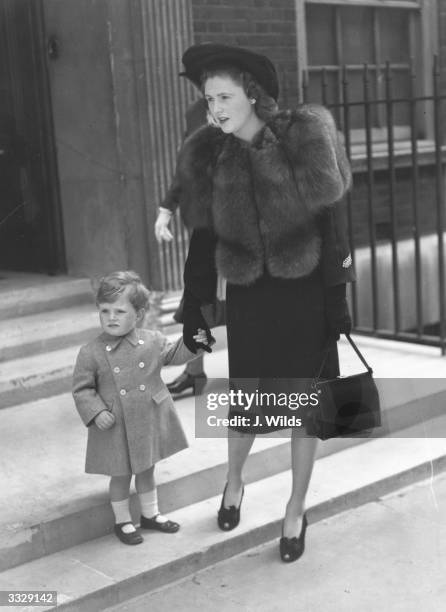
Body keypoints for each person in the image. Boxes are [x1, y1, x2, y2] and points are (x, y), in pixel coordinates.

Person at [172, 43, 355, 563]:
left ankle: (295, 509)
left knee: (304, 410)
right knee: (247, 408)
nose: (216, 110)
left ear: (252, 94)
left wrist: (337, 298)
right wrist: (195, 311)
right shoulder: (211, 153)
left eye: (225, 96)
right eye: (210, 100)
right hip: (252, 299)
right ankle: (233, 482)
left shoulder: (303, 138)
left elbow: (331, 222)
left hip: (305, 296)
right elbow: (202, 242)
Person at [72, 270, 212, 545]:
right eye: (105, 310)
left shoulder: (151, 340)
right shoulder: (91, 352)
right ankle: (123, 521)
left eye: (120, 311)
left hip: (147, 417)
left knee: (147, 469)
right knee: (121, 475)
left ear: (139, 314)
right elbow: (82, 389)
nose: (111, 317)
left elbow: (174, 354)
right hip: (115, 425)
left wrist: (195, 344)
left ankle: (150, 514)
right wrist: (97, 411)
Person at [155, 98, 225, 397]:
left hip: (242, 226)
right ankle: (194, 373)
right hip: (206, 226)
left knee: (250, 304)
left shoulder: (252, 113)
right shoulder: (196, 113)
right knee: (195, 300)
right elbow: (184, 169)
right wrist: (166, 209)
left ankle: (261, 379)